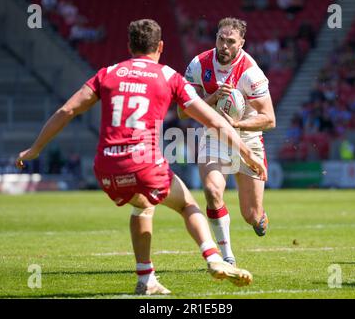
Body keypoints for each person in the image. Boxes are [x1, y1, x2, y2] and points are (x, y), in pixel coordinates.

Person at [15, 19, 267, 295]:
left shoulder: (108, 73)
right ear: (160, 46)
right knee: (187, 205)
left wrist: (35, 149)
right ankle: (215, 259)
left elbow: (67, 111)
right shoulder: (168, 76)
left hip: (106, 167)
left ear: (129, 46)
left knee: (143, 205)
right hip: (145, 164)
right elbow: (213, 121)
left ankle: (146, 278)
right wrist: (247, 154)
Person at [179, 17, 276, 266]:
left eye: (231, 41)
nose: (224, 45)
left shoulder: (251, 72)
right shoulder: (199, 64)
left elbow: (269, 119)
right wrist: (210, 98)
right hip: (215, 136)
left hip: (249, 139)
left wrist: (237, 124)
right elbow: (181, 111)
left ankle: (259, 218)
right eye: (221, 39)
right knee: (212, 192)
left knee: (251, 215)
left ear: (241, 43)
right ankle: (227, 257)